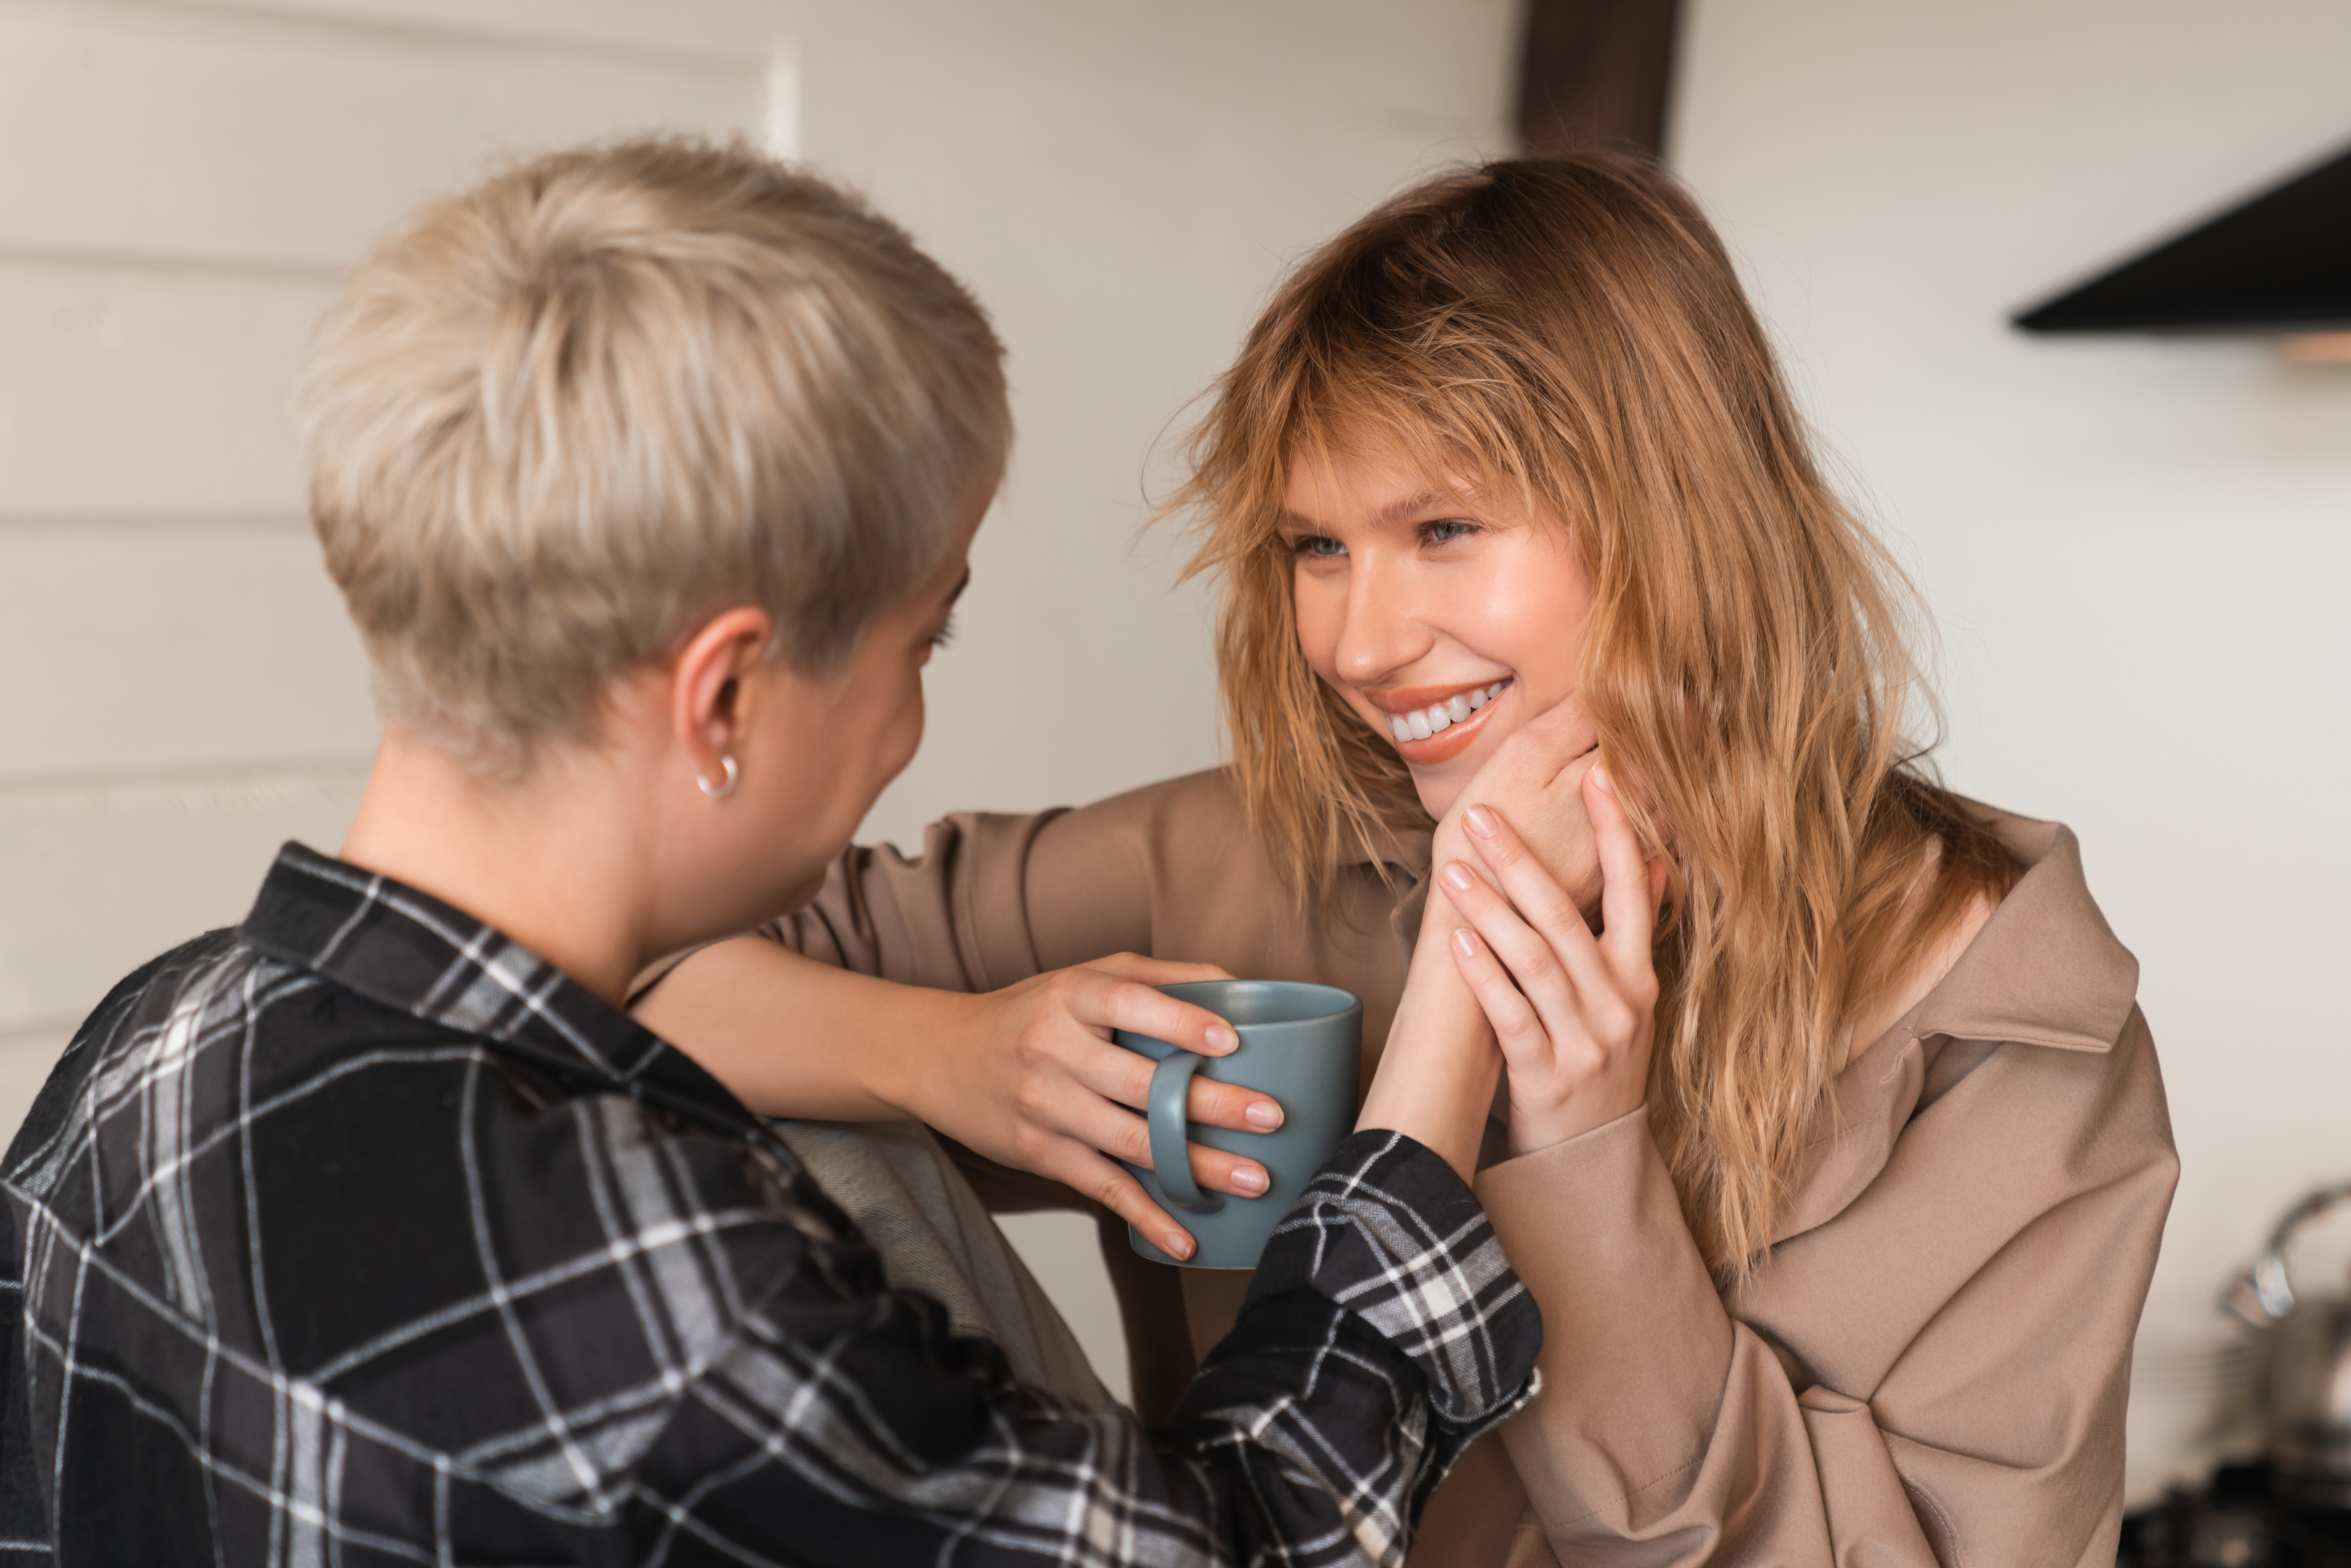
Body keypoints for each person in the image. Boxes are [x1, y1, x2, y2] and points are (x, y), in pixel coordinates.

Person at [0, 139, 1547, 1566]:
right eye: (918, 640)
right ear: (724, 694)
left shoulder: (148, 1050)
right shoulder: (667, 1304)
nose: (904, 731)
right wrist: (1449, 1034)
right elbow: (1248, 1544)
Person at [637, 156, 2179, 1564]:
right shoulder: (1236, 856)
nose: (1359, 646)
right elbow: (593, 971)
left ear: (1677, 518)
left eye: (1441, 527)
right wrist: (949, 1056)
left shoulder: (2009, 1039)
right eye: (1316, 548)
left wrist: (1587, 1156)